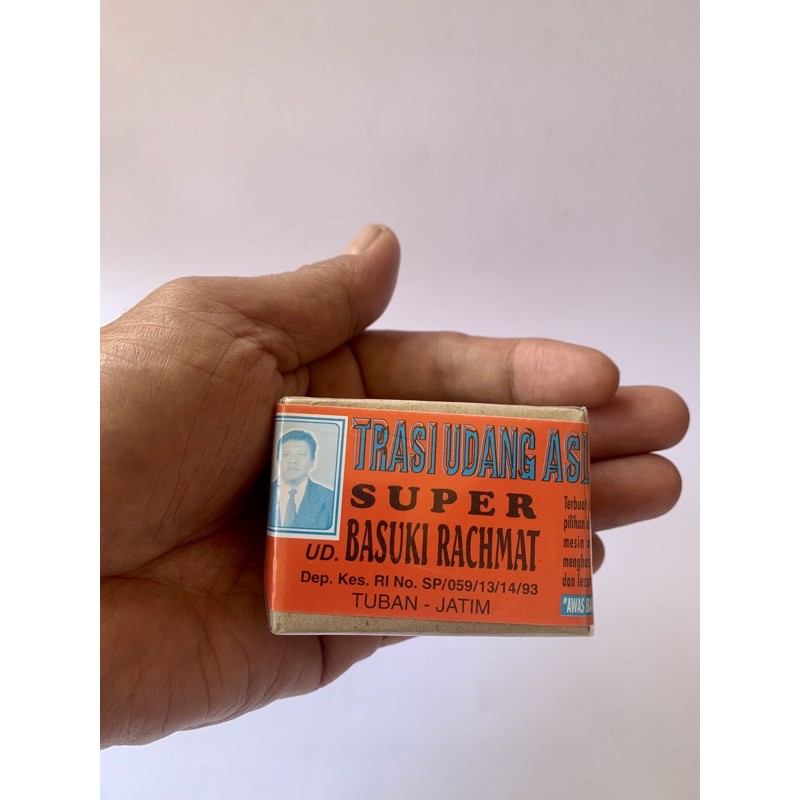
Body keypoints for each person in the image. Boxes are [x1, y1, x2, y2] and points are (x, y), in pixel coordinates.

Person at [100, 224, 689, 748]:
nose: (295, 464)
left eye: (303, 455)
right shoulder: (301, 505)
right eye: (292, 456)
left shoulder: (323, 500)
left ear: (313, 460)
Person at [271, 429, 334, 529]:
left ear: (312, 461)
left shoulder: (330, 499)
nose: (293, 460)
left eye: (301, 454)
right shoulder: (259, 494)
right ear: (277, 460)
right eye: (286, 454)